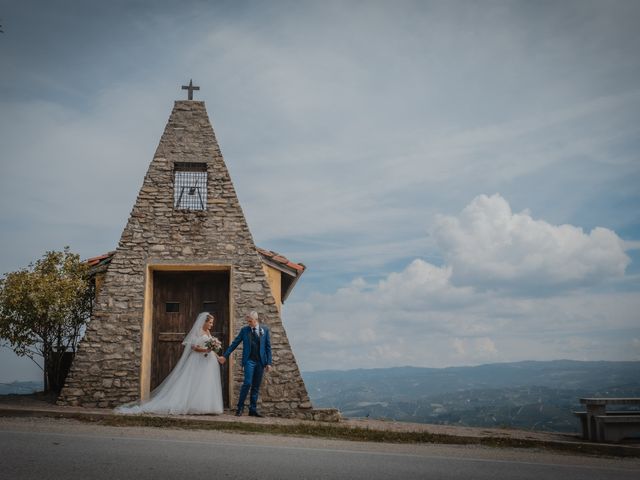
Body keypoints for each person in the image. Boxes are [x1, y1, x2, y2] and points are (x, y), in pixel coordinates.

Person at [116, 312, 224, 415]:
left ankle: (206, 406)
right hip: (196, 360)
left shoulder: (208, 332)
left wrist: (218, 357)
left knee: (205, 382)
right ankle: (192, 405)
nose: (211, 324)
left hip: (207, 361)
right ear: (204, 322)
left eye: (212, 322)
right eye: (210, 322)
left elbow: (210, 348)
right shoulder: (197, 331)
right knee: (193, 382)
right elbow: (193, 347)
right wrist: (205, 351)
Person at [219, 310, 272, 417]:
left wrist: (269, 363)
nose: (249, 323)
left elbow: (268, 347)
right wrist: (225, 355)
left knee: (256, 386)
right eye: (248, 321)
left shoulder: (265, 330)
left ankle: (252, 410)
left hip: (261, 362)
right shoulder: (244, 330)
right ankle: (240, 408)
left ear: (256, 320)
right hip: (249, 361)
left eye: (250, 321)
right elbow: (234, 343)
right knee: (247, 383)